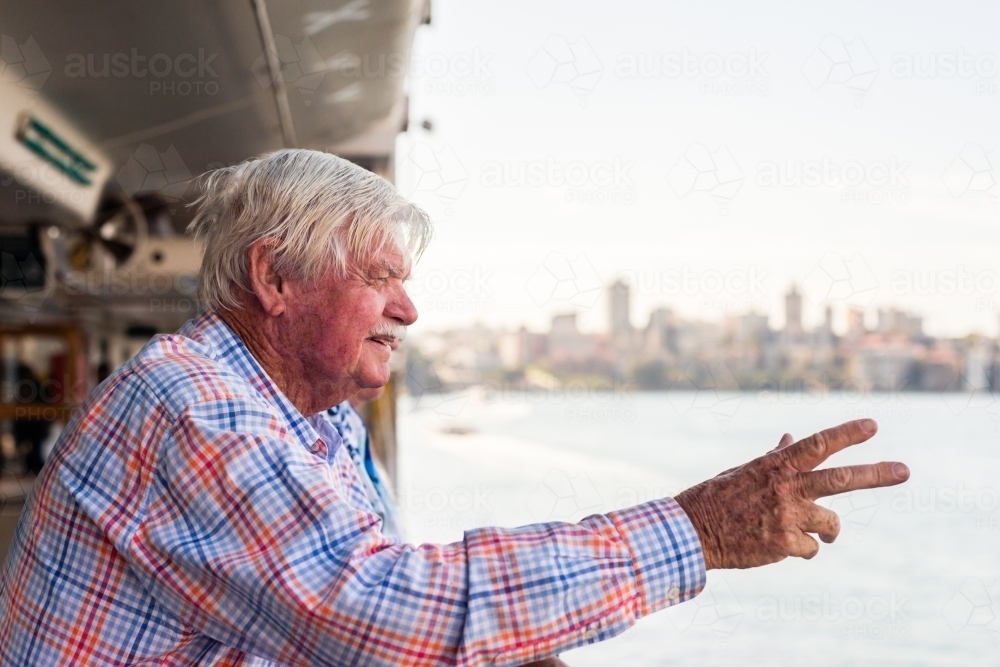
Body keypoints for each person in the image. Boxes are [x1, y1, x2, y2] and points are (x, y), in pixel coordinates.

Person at [0, 150, 910, 666]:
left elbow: (372, 606)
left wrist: (508, 646)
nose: (408, 309)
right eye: (381, 279)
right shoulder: (196, 408)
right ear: (274, 278)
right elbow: (381, 612)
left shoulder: (311, 415)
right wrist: (693, 530)